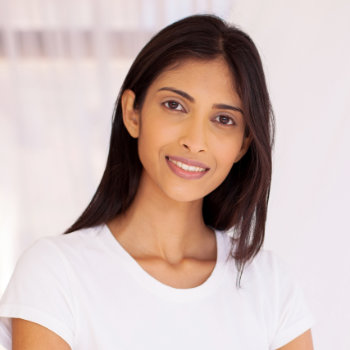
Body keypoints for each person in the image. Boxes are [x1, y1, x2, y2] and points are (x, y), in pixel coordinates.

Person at [0, 14, 314, 350]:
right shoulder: (55, 272)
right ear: (133, 113)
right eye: (175, 105)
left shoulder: (270, 284)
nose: (195, 140)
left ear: (243, 145)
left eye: (223, 119)